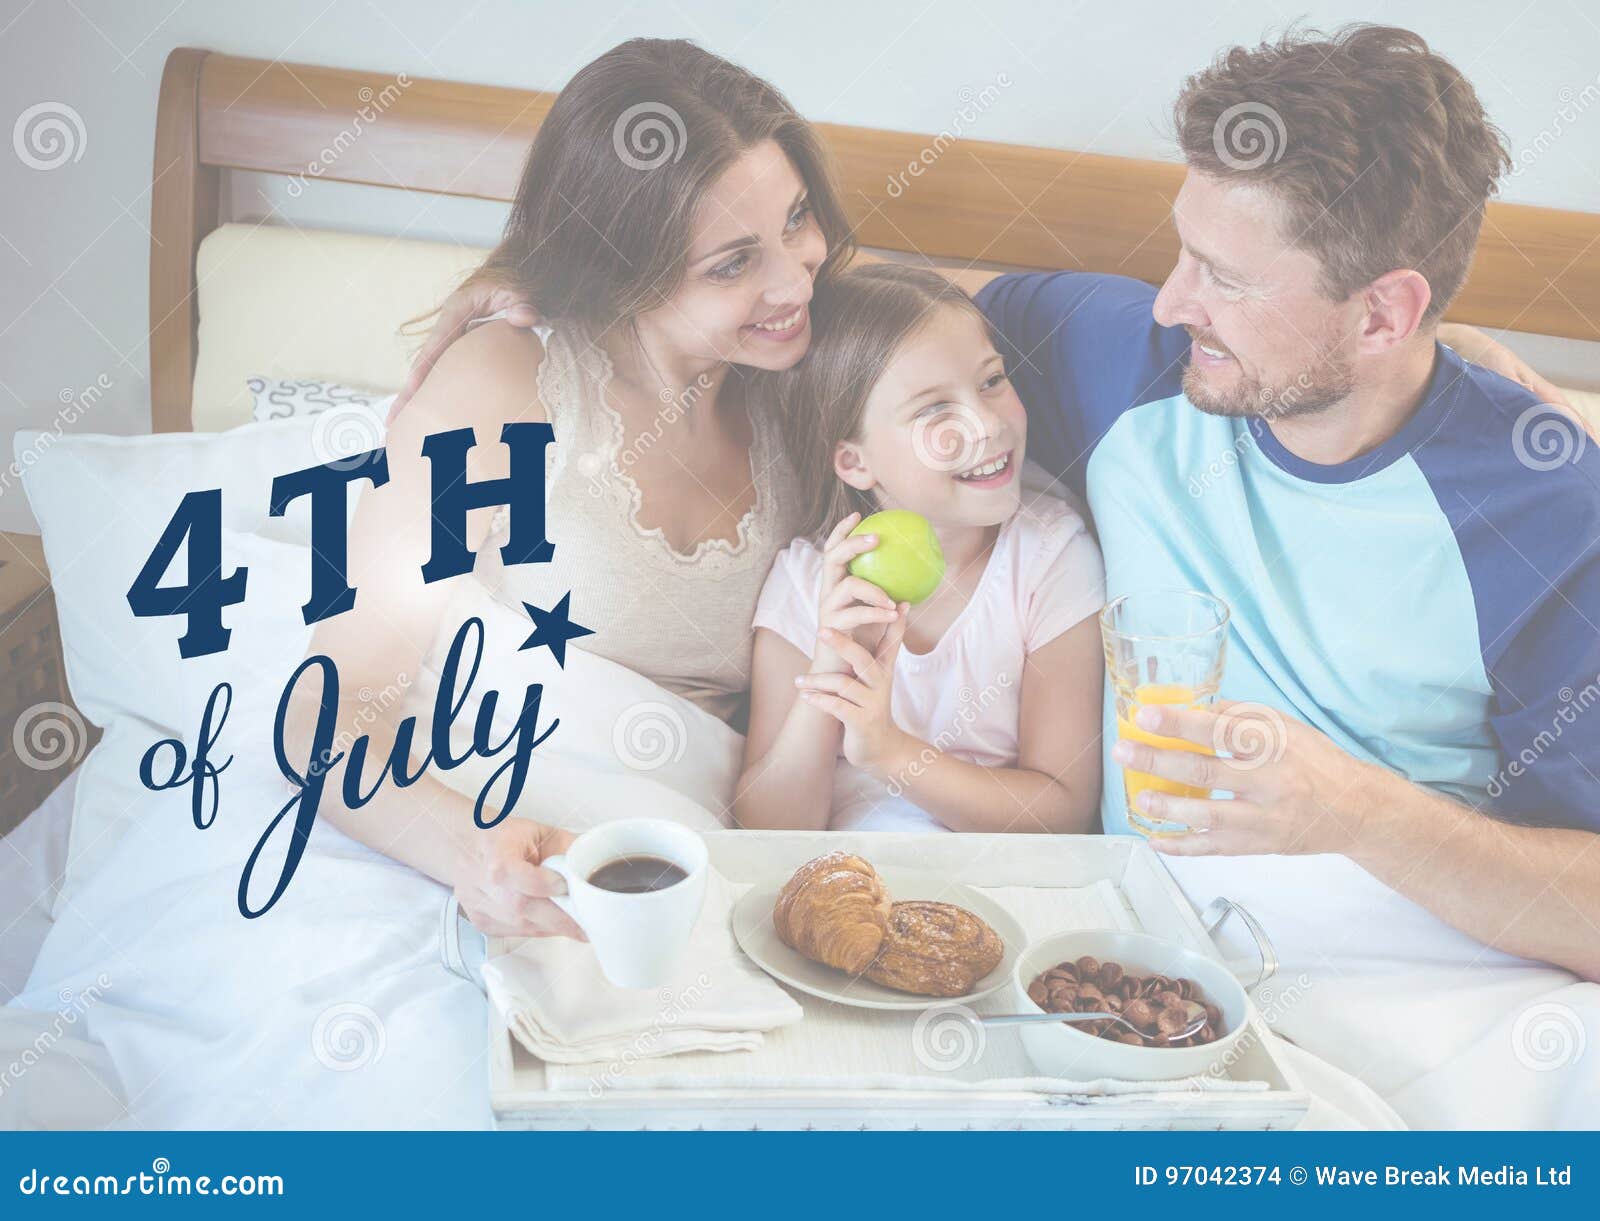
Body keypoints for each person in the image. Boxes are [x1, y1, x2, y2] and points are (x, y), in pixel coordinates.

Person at [960, 26, 1600, 980]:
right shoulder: (1125, 363)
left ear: (1384, 313)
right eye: (1184, 252)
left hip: (1418, 978)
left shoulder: (1547, 510)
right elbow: (881, 332)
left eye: (1224, 277)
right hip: (1134, 967)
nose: (1173, 303)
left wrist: (1354, 810)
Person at [286, 37, 855, 937]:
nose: (796, 276)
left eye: (797, 218)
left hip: (683, 856)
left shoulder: (817, 378)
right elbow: (325, 711)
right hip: (476, 825)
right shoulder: (505, 388)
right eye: (733, 263)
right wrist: (472, 850)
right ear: (620, 272)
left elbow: (996, 338)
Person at [735, 266, 1104, 834]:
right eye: (934, 411)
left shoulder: (1049, 558)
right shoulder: (808, 580)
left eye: (991, 381)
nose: (984, 425)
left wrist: (888, 753)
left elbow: (1063, 812)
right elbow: (766, 826)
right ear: (856, 462)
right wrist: (833, 663)